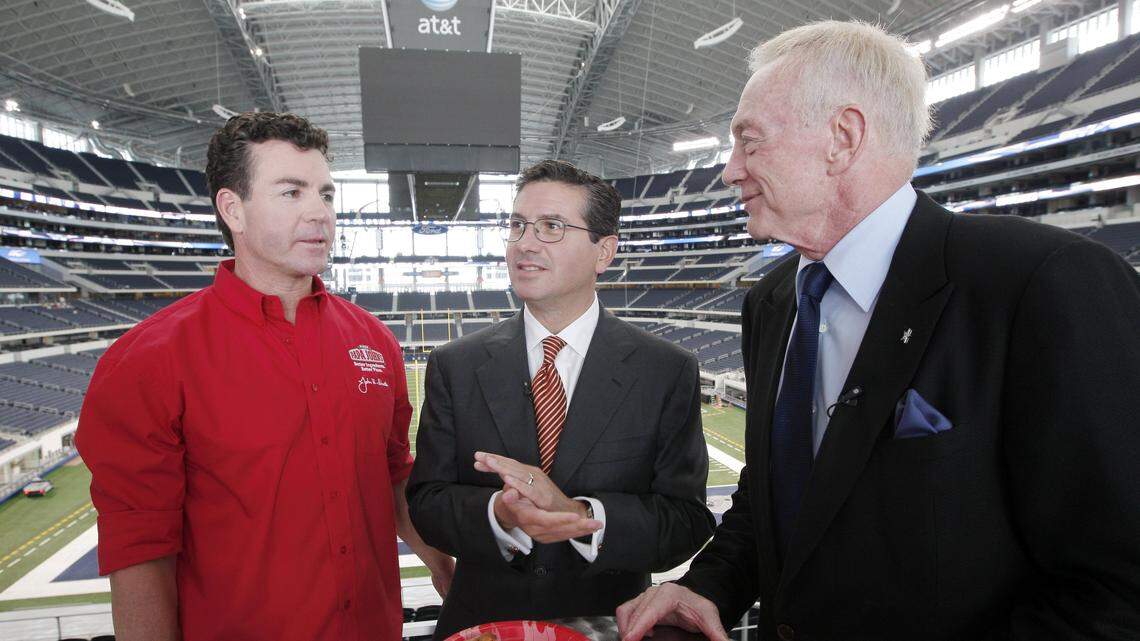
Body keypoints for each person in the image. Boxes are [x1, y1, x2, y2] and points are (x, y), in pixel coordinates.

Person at [617, 20, 1140, 641]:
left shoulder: (1044, 284)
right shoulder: (776, 299)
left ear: (842, 138)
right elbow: (775, 502)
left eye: (748, 142)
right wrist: (705, 586)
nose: (729, 170)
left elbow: (1117, 587)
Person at [76, 112, 453, 641]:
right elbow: (141, 549)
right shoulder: (149, 359)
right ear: (233, 208)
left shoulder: (374, 341)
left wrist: (443, 566)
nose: (320, 213)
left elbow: (393, 476)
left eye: (326, 193)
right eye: (291, 193)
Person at [407, 160, 716, 639]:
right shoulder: (456, 364)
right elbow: (427, 502)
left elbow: (686, 520)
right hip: (483, 625)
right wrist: (500, 516)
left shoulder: (665, 370)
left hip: (610, 624)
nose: (525, 243)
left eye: (552, 226)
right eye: (517, 225)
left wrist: (581, 516)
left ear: (604, 251)